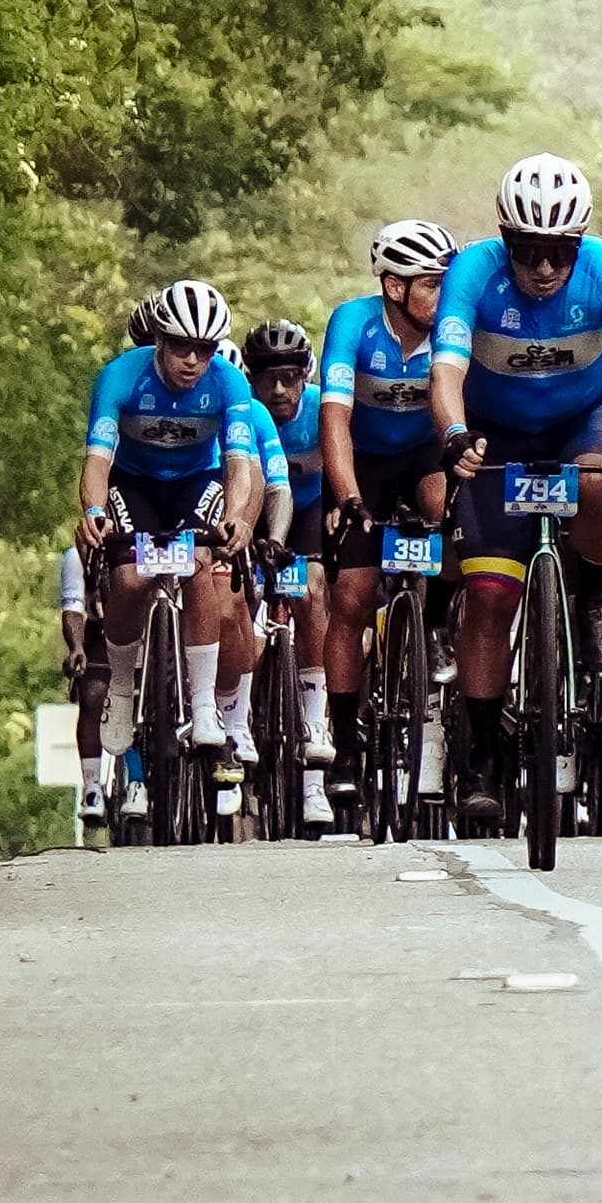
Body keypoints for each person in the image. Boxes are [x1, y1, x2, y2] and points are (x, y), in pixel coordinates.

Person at [425, 157, 602, 780]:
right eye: (530, 252)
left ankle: (590, 602)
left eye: (560, 252)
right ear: (506, 241)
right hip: (494, 429)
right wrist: (453, 433)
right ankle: (481, 751)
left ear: (579, 244)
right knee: (488, 596)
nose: (546, 268)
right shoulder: (471, 272)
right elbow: (445, 370)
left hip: (581, 416)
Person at [73, 278, 271, 820]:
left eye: (204, 350)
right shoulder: (120, 377)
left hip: (196, 480)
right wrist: (93, 511)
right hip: (134, 483)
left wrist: (235, 516)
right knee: (131, 579)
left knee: (204, 565)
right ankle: (119, 681)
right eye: (181, 347)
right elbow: (97, 461)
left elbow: (237, 464)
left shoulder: (229, 382)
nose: (192, 360)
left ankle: (205, 707)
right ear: (158, 341)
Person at [318, 220, 455, 808]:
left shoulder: (451, 328)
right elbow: (335, 421)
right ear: (395, 287)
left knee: (448, 515)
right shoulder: (353, 324)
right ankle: (345, 747)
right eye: (431, 285)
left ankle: (437, 630)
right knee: (351, 596)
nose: (443, 297)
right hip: (364, 463)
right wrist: (348, 497)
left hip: (424, 451)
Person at [239, 317, 336, 830]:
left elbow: (350, 463)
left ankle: (316, 732)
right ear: (250, 379)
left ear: (306, 375)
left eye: (290, 378)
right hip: (256, 518)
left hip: (311, 516)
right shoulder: (244, 415)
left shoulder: (322, 410)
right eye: (267, 379)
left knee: (313, 589)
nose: (279, 390)